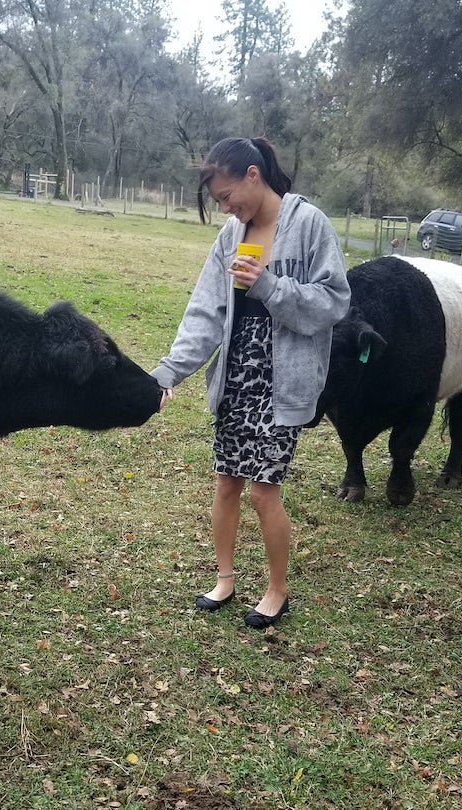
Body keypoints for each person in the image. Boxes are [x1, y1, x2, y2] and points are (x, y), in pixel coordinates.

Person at [151, 137, 350, 628]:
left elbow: (334, 302)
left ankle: (277, 590)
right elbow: (205, 310)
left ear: (253, 176)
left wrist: (269, 286)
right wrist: (168, 372)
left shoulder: (308, 226)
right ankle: (224, 579)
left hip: (284, 382)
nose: (227, 207)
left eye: (227, 196)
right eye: (220, 202)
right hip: (238, 375)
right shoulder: (230, 234)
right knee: (226, 484)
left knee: (264, 492)